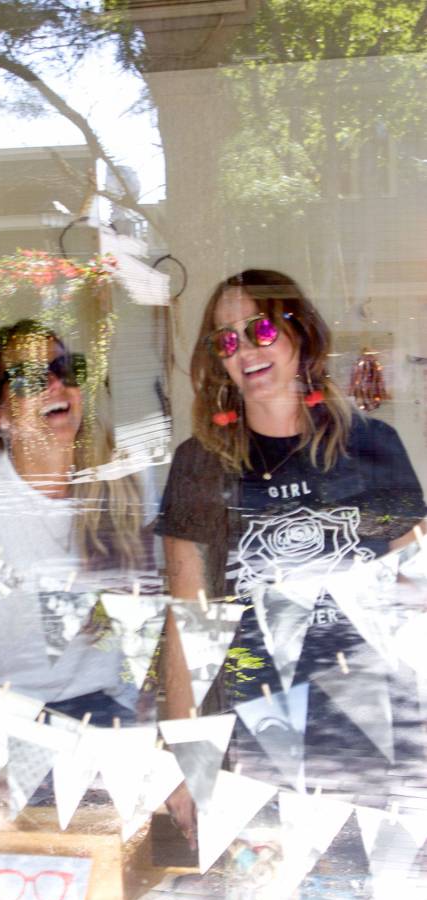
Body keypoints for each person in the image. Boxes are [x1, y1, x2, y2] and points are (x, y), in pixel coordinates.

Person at [157, 269, 427, 844]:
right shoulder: (201, 465)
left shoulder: (371, 446)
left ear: (299, 334)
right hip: (264, 730)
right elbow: (187, 621)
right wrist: (188, 756)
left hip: (387, 719)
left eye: (259, 329)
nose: (245, 349)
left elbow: (417, 592)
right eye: (226, 340)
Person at [0, 319, 157, 804]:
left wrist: (156, 726)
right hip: (6, 717)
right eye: (31, 378)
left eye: (63, 369)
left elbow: (154, 617)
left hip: (112, 715)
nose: (56, 384)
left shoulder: (124, 481)